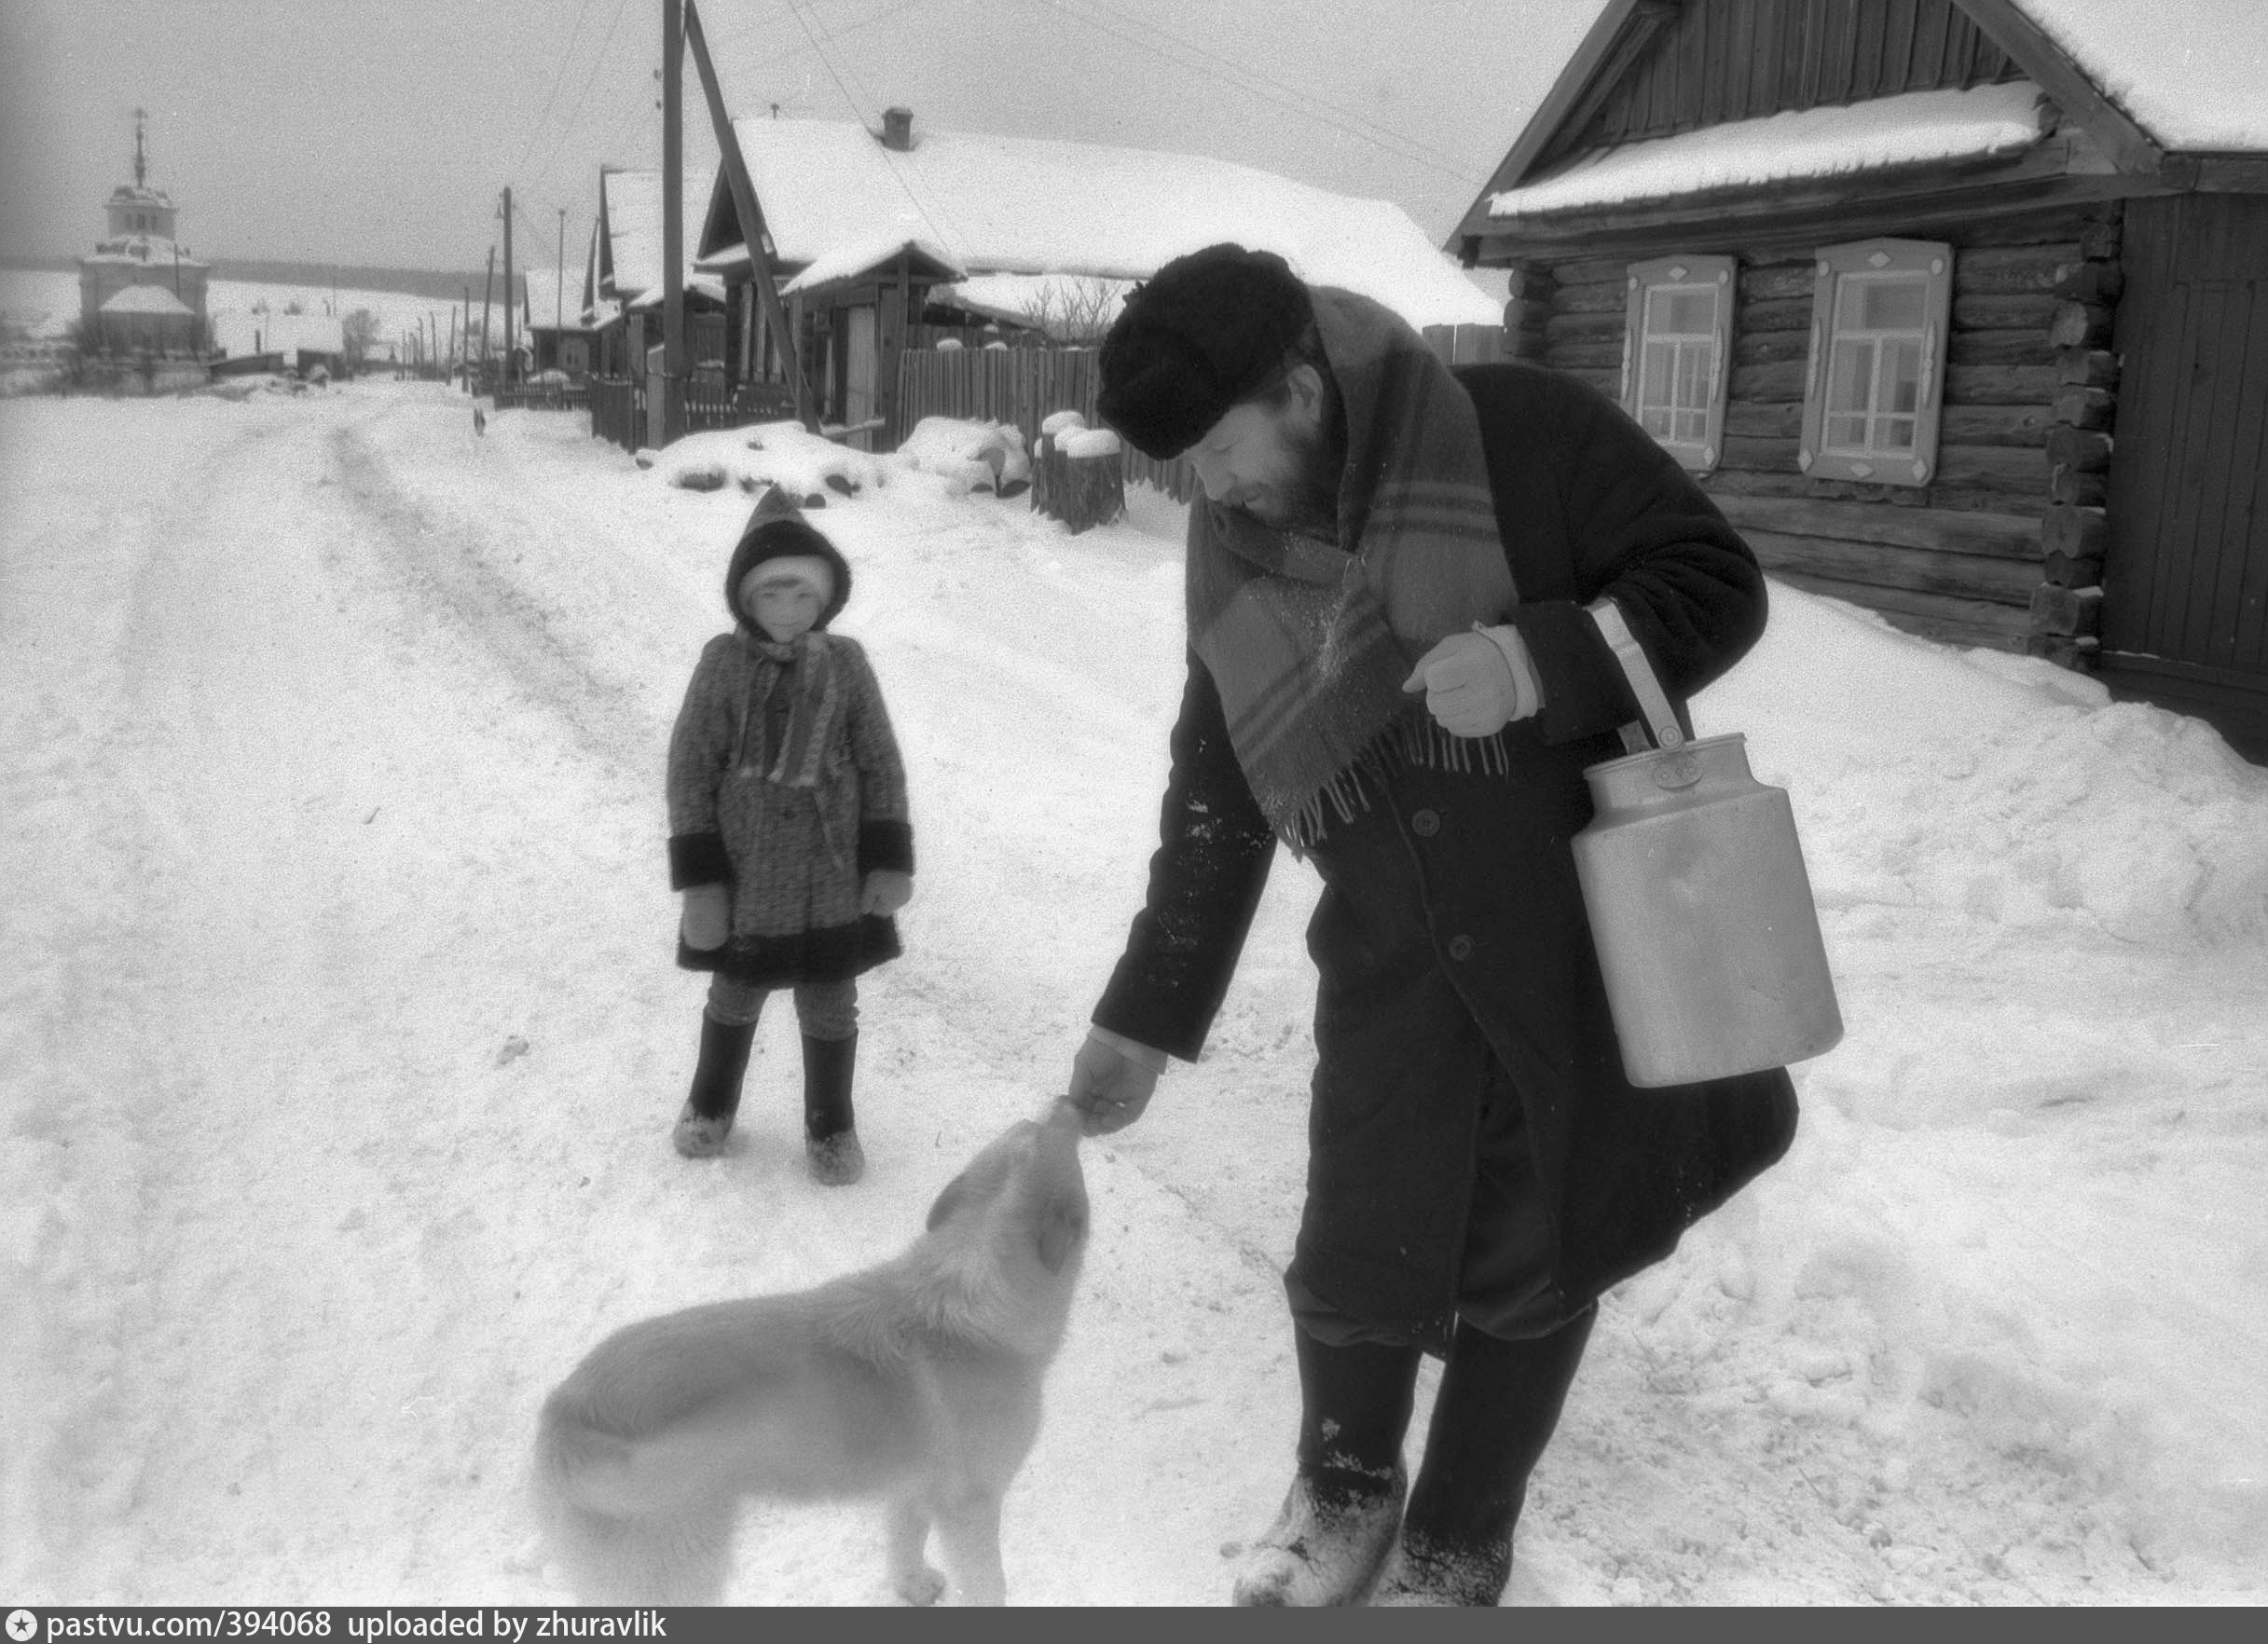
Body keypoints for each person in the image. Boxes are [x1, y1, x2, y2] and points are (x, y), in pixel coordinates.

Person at [1068, 244, 1799, 1606]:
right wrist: (1146, 1010)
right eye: (1185, 469)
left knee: (1537, 1246)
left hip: (1577, 945)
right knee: (1358, 1230)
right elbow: (1220, 776)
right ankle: (1342, 1486)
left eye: (1219, 450)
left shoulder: (1523, 431)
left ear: (1297, 388)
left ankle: (1462, 1527)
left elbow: (1715, 579)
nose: (1206, 490)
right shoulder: (1236, 546)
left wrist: (1540, 658)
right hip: (1392, 958)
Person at [666, 485, 914, 1185]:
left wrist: (887, 857)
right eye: (772, 596)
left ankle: (830, 1126)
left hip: (829, 874)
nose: (788, 611)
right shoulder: (722, 663)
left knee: (831, 1000)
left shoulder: (846, 663)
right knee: (734, 994)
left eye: (804, 596)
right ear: (746, 600)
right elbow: (689, 767)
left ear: (825, 601)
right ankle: (710, 1105)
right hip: (746, 874)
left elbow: (879, 759)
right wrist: (702, 879)